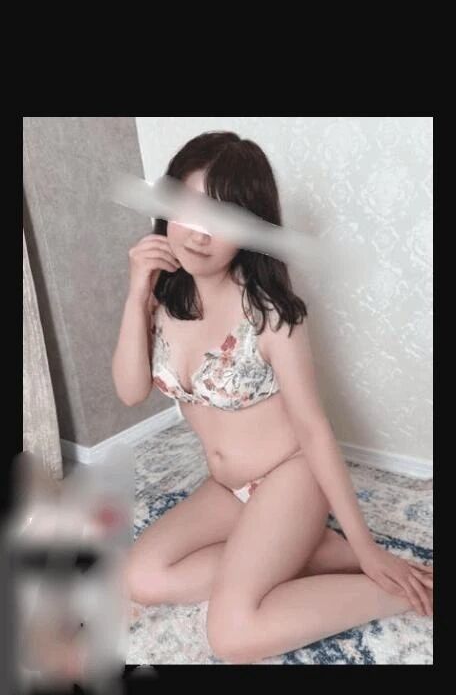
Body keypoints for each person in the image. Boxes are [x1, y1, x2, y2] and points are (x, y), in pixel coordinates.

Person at [112, 131, 433, 663]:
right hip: (225, 487)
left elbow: (313, 430)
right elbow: (130, 392)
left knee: (232, 635)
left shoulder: (269, 314)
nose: (199, 234)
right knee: (140, 576)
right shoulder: (164, 297)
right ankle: (305, 551)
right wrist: (136, 293)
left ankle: (396, 592)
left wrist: (368, 547)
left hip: (289, 478)